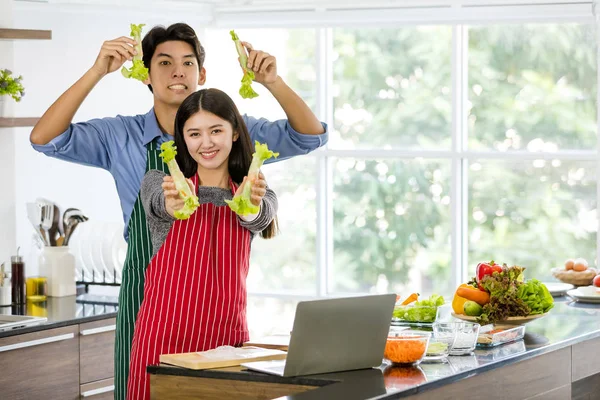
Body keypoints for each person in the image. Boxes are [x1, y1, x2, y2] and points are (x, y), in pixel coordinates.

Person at [29, 23, 327, 400]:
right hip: (148, 300)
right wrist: (96, 72)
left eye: (188, 63)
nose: (178, 72)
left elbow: (308, 137)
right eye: (165, 62)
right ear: (145, 76)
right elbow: (45, 139)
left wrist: (273, 82)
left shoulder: (236, 130)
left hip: (223, 314)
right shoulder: (122, 138)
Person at [128, 88, 277, 399]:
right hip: (162, 345)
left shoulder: (252, 194)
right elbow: (160, 203)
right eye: (194, 133)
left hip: (226, 346)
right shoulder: (160, 183)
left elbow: (260, 217)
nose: (206, 143)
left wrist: (252, 205)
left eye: (216, 131)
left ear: (235, 132)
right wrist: (173, 205)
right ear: (182, 139)